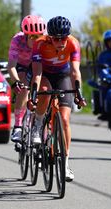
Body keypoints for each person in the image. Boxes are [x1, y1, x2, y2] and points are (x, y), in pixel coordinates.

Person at [29, 16, 87, 182]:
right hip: (45, 75)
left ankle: (65, 163)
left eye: (64, 38)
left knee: (65, 120)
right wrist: (33, 94)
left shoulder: (73, 43)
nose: (61, 42)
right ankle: (39, 123)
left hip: (62, 75)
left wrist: (78, 93)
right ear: (49, 37)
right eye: (56, 39)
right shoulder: (39, 43)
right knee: (46, 91)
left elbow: (75, 71)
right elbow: (37, 73)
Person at [8, 15, 46, 145]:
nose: (36, 40)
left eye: (39, 36)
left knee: (44, 90)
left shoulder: (45, 41)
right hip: (22, 65)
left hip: (39, 64)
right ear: (25, 34)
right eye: (32, 36)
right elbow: (11, 66)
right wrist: (16, 81)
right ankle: (18, 126)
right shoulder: (17, 40)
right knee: (23, 86)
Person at [96, 29, 111, 120]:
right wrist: (106, 76)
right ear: (106, 42)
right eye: (109, 41)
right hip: (110, 79)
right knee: (104, 86)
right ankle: (104, 110)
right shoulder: (103, 55)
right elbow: (101, 69)